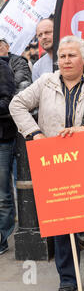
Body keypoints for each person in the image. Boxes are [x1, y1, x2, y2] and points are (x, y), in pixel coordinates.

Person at [9, 35, 84, 291]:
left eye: (72, 55)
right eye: (62, 56)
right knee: (63, 229)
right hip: (56, 167)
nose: (66, 60)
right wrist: (34, 133)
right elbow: (18, 104)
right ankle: (68, 280)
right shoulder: (45, 83)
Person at [0, 59, 16, 256]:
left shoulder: (2, 68)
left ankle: (2, 238)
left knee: (2, 195)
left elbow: (7, 102)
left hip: (2, 139)